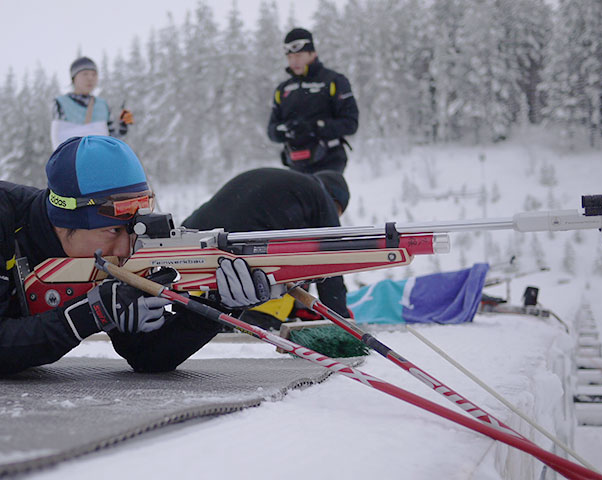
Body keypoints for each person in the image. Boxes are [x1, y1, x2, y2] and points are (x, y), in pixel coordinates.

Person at [0, 136, 271, 375]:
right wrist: (90, 314)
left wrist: (215, 307)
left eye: (131, 231)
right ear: (64, 222)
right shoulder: (5, 217)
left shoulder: (109, 255)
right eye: (112, 230)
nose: (124, 249)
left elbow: (148, 357)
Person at [182, 167, 351, 330]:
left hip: (196, 238)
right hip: (243, 248)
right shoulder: (321, 196)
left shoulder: (287, 186)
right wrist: (341, 320)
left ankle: (207, 311)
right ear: (335, 201)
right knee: (276, 275)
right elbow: (331, 262)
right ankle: (256, 317)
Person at [267, 28, 359, 174]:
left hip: (329, 164)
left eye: (298, 55)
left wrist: (314, 128)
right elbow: (271, 130)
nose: (293, 61)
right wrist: (288, 130)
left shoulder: (333, 81)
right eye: (289, 57)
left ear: (313, 53)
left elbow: (350, 123)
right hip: (295, 166)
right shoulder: (283, 90)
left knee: (322, 196)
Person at [50, 57, 134, 150]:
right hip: (72, 159)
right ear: (74, 78)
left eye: (94, 74)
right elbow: (58, 140)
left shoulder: (102, 105)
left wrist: (122, 127)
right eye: (85, 74)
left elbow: (110, 139)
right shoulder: (61, 103)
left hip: (98, 159)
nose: (90, 78)